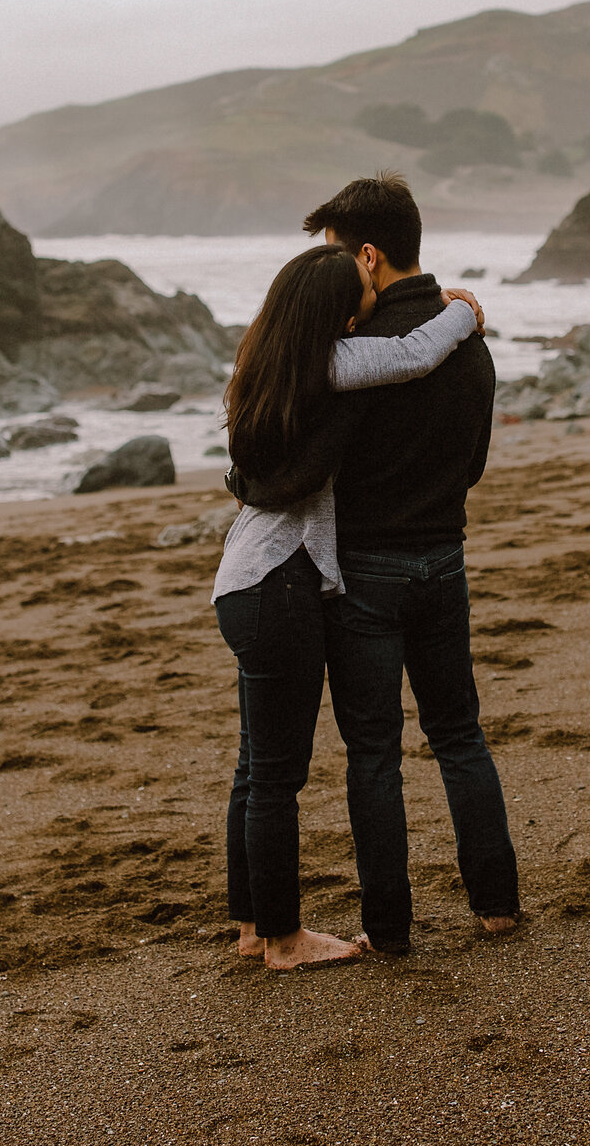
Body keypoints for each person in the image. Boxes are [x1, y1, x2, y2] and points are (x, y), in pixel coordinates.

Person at [212, 242, 486, 970]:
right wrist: (462, 311)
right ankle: (283, 940)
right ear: (335, 313)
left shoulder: (264, 362)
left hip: (243, 579)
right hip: (281, 585)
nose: (371, 300)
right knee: (276, 774)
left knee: (255, 765)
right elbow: (415, 355)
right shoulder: (331, 364)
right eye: (360, 296)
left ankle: (251, 926)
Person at [303, 172, 521, 954]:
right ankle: (497, 905)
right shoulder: (469, 338)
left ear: (368, 256)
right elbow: (472, 464)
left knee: (374, 752)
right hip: (446, 555)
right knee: (460, 732)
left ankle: (387, 929)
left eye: (336, 258)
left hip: (366, 572)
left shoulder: (357, 352)